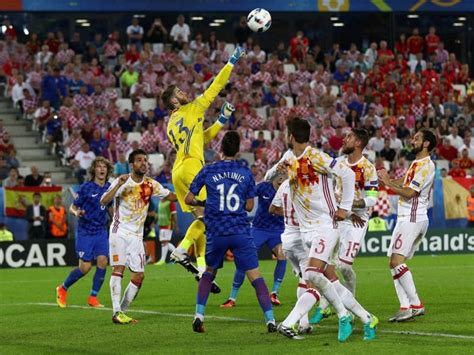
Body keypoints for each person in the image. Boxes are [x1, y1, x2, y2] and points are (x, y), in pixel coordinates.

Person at [270, 119, 377, 341]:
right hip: (307, 231)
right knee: (332, 282)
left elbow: (346, 175)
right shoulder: (290, 160)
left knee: (311, 274)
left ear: (290, 136)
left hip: (326, 226)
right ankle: (367, 318)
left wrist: (345, 208)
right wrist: (276, 171)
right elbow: (267, 178)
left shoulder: (318, 158)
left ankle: (339, 315)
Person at [160, 46, 245, 282]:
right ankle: (180, 249)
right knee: (211, 216)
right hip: (193, 167)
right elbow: (215, 87)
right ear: (175, 101)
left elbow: (201, 138)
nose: (184, 92)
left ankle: (200, 267)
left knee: (202, 219)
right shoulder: (192, 107)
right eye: (179, 91)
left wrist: (221, 120)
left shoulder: (170, 124)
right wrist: (231, 61)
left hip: (178, 170)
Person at [185, 131, 276, 333]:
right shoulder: (245, 172)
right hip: (240, 231)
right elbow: (250, 205)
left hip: (217, 230)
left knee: (209, 272)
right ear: (238, 150)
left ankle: (199, 315)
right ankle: (270, 320)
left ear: (220, 148)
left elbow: (188, 199)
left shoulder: (209, 170)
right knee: (255, 276)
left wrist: (205, 202)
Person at [100, 149, 177, 325]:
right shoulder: (121, 181)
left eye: (145, 160)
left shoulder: (151, 184)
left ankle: (123, 310)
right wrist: (118, 186)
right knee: (118, 269)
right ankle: (116, 311)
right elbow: (104, 201)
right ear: (131, 164)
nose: (144, 163)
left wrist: (186, 195)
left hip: (136, 236)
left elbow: (170, 196)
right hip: (119, 231)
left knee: (139, 276)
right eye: (140, 160)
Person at [378, 129, 436, 322]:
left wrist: (387, 183)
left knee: (396, 262)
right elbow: (402, 182)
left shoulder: (426, 166)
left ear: (426, 143)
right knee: (393, 262)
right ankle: (405, 306)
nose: (412, 141)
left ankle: (416, 305)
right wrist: (384, 181)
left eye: (417, 138)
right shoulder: (416, 163)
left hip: (413, 218)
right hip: (407, 218)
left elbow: (410, 193)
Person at [221, 173, 287, 308]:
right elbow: (247, 193)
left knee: (282, 255)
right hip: (259, 229)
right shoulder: (263, 187)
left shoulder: (289, 190)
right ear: (273, 178)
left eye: (284, 177)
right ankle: (232, 298)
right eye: (279, 176)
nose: (281, 179)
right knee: (244, 259)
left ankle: (274, 293)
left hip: (278, 231)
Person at [56, 157, 114, 308]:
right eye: (99, 167)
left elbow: (110, 208)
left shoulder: (109, 188)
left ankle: (93, 297)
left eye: (104, 167)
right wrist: (76, 213)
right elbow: (73, 207)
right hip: (85, 232)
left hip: (101, 231)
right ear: (94, 170)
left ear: (107, 171)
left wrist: (116, 221)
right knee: (85, 268)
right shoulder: (86, 188)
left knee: (103, 261)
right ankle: (63, 288)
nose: (101, 169)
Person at [269, 178, 312, 334]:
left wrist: (287, 213)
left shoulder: (284, 184)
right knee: (314, 282)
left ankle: (304, 322)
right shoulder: (309, 184)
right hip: (303, 240)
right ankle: (300, 322)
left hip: (287, 241)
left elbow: (272, 209)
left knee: (302, 279)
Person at [154, 198, 178, 266]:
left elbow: (174, 214)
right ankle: (178, 256)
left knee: (164, 242)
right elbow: (158, 213)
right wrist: (155, 221)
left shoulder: (170, 202)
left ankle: (162, 260)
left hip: (168, 224)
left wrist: (175, 225)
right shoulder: (160, 202)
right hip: (161, 224)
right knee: (164, 242)